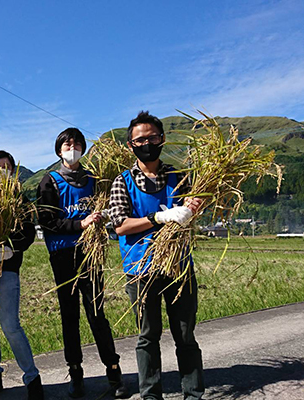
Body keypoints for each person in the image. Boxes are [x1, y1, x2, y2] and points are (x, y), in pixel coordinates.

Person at [108, 111, 204, 400]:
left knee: (185, 335)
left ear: (162, 139)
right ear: (130, 145)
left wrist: (192, 208)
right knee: (148, 336)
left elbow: (192, 214)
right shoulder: (122, 182)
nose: (146, 143)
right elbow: (121, 225)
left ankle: (194, 394)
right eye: (140, 139)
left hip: (178, 266)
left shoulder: (179, 177)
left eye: (152, 137)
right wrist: (159, 217)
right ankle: (150, 395)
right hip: (140, 269)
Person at [37, 128, 128, 399]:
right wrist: (80, 223)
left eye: (77, 143)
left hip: (90, 252)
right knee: (70, 314)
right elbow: (47, 221)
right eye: (67, 143)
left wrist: (101, 218)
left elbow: (109, 207)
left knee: (97, 311)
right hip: (62, 253)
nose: (72, 146)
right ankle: (75, 372)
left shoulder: (94, 179)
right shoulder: (49, 181)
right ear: (58, 149)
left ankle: (113, 369)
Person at [0, 150, 44, 400]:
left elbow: (27, 233)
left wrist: (9, 248)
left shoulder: (19, 201)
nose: (0, 170)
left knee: (11, 325)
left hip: (8, 269)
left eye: (6, 166)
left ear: (13, 173)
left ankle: (32, 378)